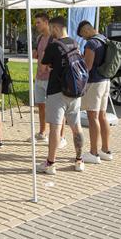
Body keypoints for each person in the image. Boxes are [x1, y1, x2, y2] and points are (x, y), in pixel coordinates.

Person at [39, 16, 85, 174]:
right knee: (76, 127)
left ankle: (50, 163)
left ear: (56, 28)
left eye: (52, 29)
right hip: (75, 91)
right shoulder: (75, 42)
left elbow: (43, 68)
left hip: (57, 91)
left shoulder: (53, 46)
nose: (51, 32)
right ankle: (79, 160)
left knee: (55, 128)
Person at [78, 20, 112, 165]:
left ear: (86, 30)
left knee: (92, 116)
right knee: (102, 115)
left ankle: (93, 152)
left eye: (83, 35)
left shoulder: (91, 43)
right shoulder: (104, 39)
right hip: (106, 81)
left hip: (94, 82)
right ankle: (106, 150)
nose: (83, 38)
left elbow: (88, 66)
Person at [32, 13, 65, 147]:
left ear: (46, 22)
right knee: (41, 105)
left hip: (51, 79)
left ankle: (61, 137)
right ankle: (42, 132)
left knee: (56, 109)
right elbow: (37, 55)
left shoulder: (54, 39)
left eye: (38, 22)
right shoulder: (40, 38)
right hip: (39, 77)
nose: (36, 25)